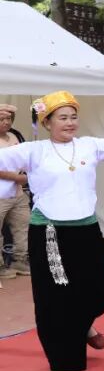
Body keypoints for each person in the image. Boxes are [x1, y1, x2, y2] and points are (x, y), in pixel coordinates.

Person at [0, 88, 104, 371]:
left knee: (100, 290)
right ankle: (65, 355)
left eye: (73, 117)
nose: (70, 123)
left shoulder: (89, 145)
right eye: (62, 118)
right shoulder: (33, 150)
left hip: (86, 229)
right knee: (56, 297)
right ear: (47, 122)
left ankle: (83, 325)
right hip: (49, 233)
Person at [0, 103, 31, 279]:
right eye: (1, 119)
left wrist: (25, 173)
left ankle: (20, 260)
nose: (6, 122)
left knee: (23, 226)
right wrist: (16, 177)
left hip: (17, 192)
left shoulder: (14, 136)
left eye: (8, 119)